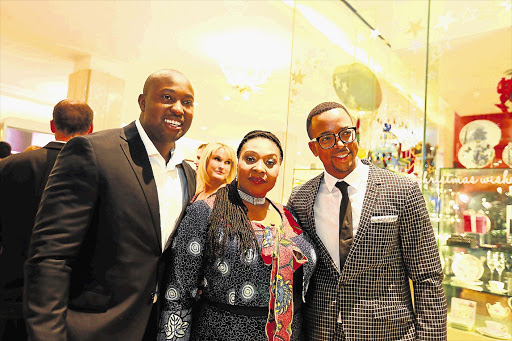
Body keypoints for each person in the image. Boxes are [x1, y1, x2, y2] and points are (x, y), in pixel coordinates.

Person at [23, 69, 197, 341]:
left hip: (153, 328)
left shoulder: (187, 173)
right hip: (90, 328)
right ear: (142, 102)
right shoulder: (93, 151)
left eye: (187, 102)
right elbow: (51, 256)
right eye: (167, 97)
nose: (178, 108)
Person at [286, 102, 447, 341]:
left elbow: (427, 276)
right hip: (319, 331)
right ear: (314, 148)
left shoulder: (402, 190)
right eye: (327, 138)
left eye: (345, 133)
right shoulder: (300, 199)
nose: (340, 144)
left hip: (387, 333)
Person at [157, 130, 317, 341]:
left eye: (270, 162)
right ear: (238, 163)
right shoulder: (206, 212)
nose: (260, 168)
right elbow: (178, 293)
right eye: (250, 159)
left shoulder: (288, 215)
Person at [0, 99, 94, 341]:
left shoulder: (10, 166)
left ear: (52, 125)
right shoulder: (96, 172)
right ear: (91, 128)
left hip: (10, 287)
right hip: (67, 296)